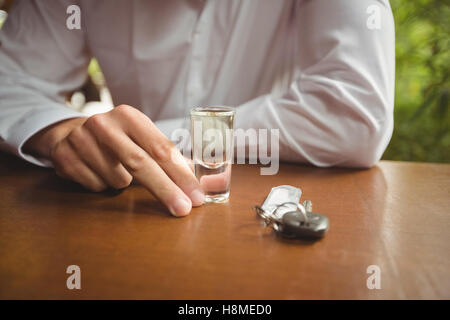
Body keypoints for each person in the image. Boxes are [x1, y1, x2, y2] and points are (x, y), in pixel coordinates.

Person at [0, 0, 395, 216]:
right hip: (121, 211)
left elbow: (354, 112)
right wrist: (60, 133)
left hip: (259, 207)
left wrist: (142, 142)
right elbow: (8, 80)